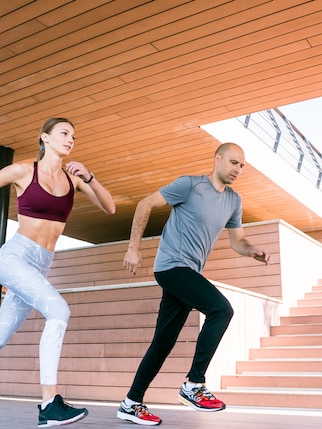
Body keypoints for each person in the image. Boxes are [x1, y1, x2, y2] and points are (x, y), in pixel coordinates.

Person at [0, 117, 116, 429]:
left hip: (39, 266)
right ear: (45, 138)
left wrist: (90, 176)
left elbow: (110, 207)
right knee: (59, 311)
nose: (70, 139)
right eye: (64, 133)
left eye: (73, 136)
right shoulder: (23, 171)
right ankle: (50, 402)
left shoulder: (74, 180)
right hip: (14, 258)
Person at [118, 142, 271, 426]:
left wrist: (252, 251)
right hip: (172, 267)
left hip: (187, 273)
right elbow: (145, 204)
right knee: (221, 310)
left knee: (163, 343)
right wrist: (133, 248)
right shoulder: (190, 185)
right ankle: (193, 385)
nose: (238, 169)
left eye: (241, 166)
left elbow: (237, 241)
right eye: (233, 162)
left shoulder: (233, 201)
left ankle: (131, 403)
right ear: (217, 159)